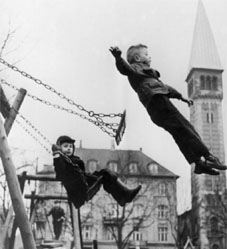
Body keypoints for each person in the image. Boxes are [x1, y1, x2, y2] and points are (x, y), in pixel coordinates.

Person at [109, 44, 227, 175]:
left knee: (179, 134)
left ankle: (197, 163)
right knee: (186, 128)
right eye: (146, 54)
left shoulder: (148, 76)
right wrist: (118, 58)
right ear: (137, 58)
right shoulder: (136, 69)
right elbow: (126, 69)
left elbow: (165, 87)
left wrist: (181, 97)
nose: (150, 57)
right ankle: (207, 155)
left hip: (155, 109)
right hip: (159, 103)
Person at [52, 135, 141, 209]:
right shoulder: (62, 162)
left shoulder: (75, 160)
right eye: (65, 146)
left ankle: (124, 196)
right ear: (60, 148)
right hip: (80, 193)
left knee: (106, 173)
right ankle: (124, 196)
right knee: (105, 174)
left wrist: (95, 177)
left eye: (70, 146)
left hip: (85, 185)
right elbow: (60, 172)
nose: (68, 148)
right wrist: (56, 155)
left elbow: (83, 175)